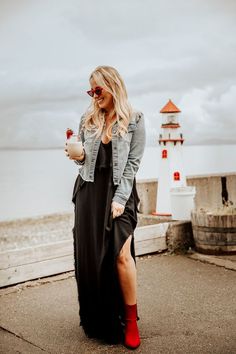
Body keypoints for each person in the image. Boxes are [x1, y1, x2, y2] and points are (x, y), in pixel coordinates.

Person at [65, 65, 146, 349]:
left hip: (119, 193)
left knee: (122, 254)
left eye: (98, 90)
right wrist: (75, 155)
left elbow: (132, 165)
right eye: (91, 91)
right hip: (89, 192)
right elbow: (84, 159)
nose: (94, 95)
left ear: (113, 86)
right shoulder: (87, 119)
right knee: (91, 258)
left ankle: (131, 320)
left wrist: (121, 200)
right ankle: (99, 319)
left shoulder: (135, 119)